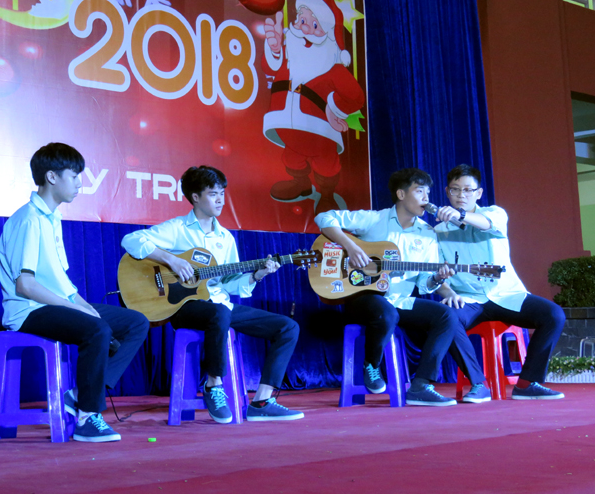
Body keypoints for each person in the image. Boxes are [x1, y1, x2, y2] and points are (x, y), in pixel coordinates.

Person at [121, 165, 304, 423]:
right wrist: (172, 260)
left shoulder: (225, 238)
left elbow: (228, 283)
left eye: (222, 193)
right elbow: (131, 240)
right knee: (218, 313)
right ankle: (213, 385)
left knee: (288, 327)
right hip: (183, 307)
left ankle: (262, 401)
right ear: (195, 197)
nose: (220, 200)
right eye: (213, 194)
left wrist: (257, 275)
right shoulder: (177, 228)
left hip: (220, 305)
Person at [0, 143, 150, 442]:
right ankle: (87, 417)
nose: (80, 183)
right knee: (96, 329)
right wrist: (77, 310)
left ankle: (81, 394)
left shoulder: (52, 219)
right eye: (74, 175)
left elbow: (63, 284)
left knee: (136, 322)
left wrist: (82, 305)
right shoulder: (28, 220)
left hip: (54, 304)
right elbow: (25, 285)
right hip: (27, 310)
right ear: (52, 177)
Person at [315, 168, 491, 406]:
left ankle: (421, 385)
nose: (426, 198)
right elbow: (324, 217)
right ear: (401, 194)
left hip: (400, 301)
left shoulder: (427, 234)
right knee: (386, 313)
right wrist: (351, 247)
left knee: (446, 315)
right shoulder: (374, 219)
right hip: (363, 297)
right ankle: (371, 365)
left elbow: (424, 284)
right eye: (419, 191)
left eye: (428, 192)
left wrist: (437, 278)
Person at [434, 164, 566, 400]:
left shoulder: (495, 213)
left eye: (467, 190)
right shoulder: (438, 232)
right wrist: (448, 292)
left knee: (553, 315)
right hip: (469, 299)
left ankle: (527, 383)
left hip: (507, 294)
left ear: (479, 193)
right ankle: (478, 384)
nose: (461, 195)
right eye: (455, 189)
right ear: (447, 192)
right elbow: (437, 275)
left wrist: (460, 215)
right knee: (445, 317)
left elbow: (486, 224)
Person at [262, 0, 366, 213]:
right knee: (292, 157)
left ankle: (326, 195)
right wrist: (274, 50)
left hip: (320, 135)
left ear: (328, 34)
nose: (305, 29)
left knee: (326, 164)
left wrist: (334, 108)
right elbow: (269, 69)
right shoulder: (290, 56)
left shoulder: (333, 68)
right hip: (289, 128)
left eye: (315, 25)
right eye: (302, 20)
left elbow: (356, 96)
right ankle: (301, 184)